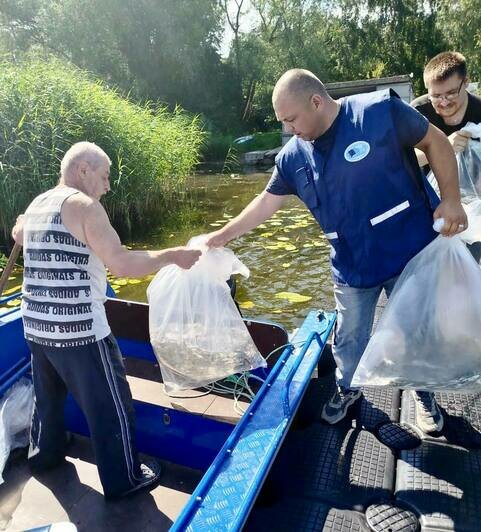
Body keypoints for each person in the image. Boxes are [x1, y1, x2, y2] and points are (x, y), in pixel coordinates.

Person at [206, 69, 467, 433]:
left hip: (408, 252)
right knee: (348, 335)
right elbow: (266, 202)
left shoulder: (379, 112)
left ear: (316, 101)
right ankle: (347, 389)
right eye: (283, 122)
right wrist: (221, 236)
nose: (289, 129)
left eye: (292, 119)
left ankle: (424, 396)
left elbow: (436, 142)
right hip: (351, 263)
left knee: (415, 330)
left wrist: (452, 201)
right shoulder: (293, 156)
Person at [11, 142, 201, 500]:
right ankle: (125, 480)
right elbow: (123, 265)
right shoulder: (86, 207)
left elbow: (20, 234)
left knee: (47, 401)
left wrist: (20, 228)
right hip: (79, 330)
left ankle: (45, 457)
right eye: (105, 175)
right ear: (83, 170)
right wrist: (174, 255)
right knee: (110, 408)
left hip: (35, 325)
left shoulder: (38, 203)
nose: (108, 185)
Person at [412, 50, 481, 261]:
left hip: (474, 208)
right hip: (429, 207)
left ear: (466, 82)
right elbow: (401, 162)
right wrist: (443, 148)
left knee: (469, 268)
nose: (443, 102)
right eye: (435, 95)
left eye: (450, 93)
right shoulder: (418, 112)